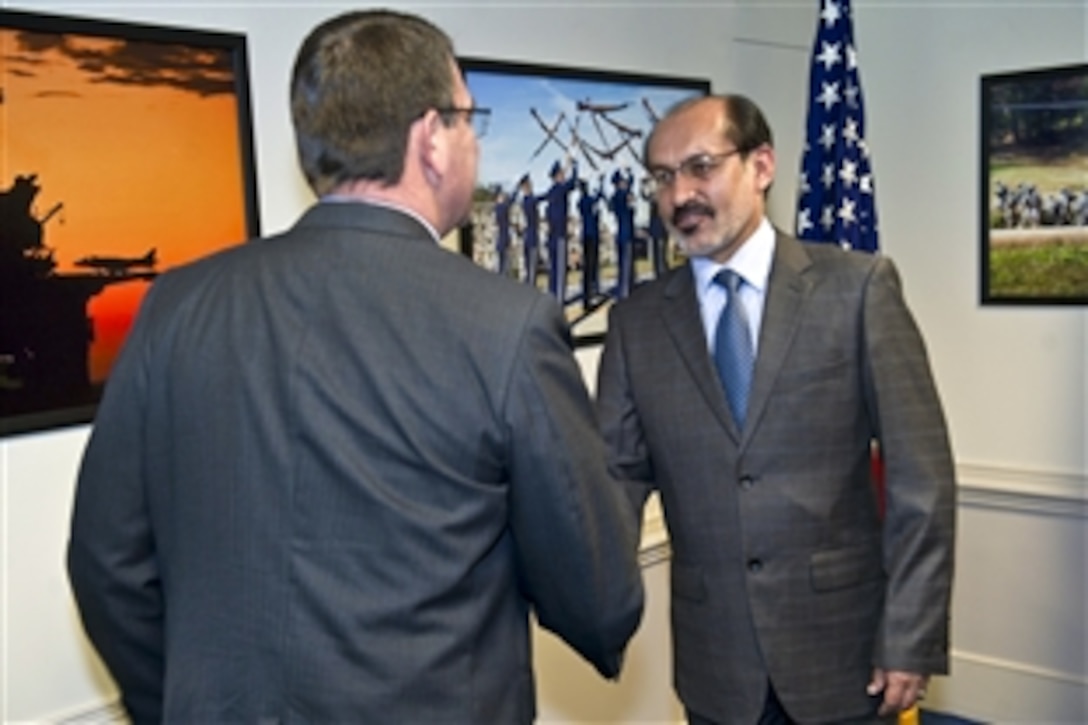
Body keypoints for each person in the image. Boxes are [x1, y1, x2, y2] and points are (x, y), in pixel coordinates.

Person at [67, 10, 644, 724]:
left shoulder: (177, 305)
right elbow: (599, 598)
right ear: (431, 138)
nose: (475, 144)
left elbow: (105, 563)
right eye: (471, 120)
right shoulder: (505, 325)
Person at [595, 94, 955, 724]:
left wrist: (910, 635)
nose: (680, 195)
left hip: (843, 655)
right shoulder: (636, 322)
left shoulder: (858, 290)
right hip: (715, 665)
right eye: (662, 176)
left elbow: (921, 478)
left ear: (761, 166)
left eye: (701, 167)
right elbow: (613, 481)